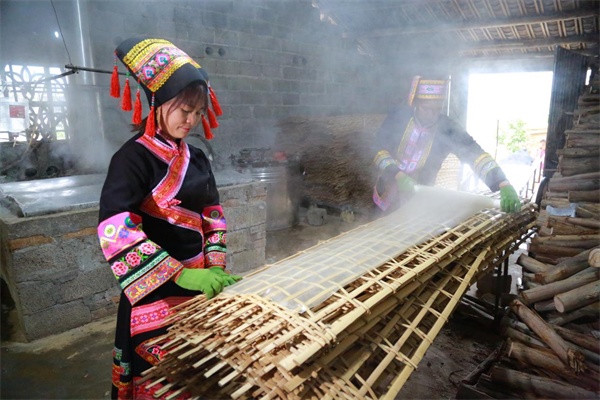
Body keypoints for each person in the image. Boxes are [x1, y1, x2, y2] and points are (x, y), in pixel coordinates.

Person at [97, 37, 242, 399]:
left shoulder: (198, 157)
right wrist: (182, 276)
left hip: (199, 284)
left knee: (198, 377)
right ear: (158, 103)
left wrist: (214, 267)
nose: (191, 120)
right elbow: (116, 231)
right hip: (154, 292)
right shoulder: (131, 159)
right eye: (184, 110)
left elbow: (213, 214)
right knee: (160, 384)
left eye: (198, 113)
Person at [372, 75, 521, 214]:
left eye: (436, 110)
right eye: (426, 109)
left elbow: (473, 153)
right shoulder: (398, 117)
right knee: (379, 225)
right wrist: (397, 175)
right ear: (416, 103)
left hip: (419, 196)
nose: (431, 115)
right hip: (387, 192)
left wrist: (502, 182)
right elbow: (377, 149)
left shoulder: (447, 128)